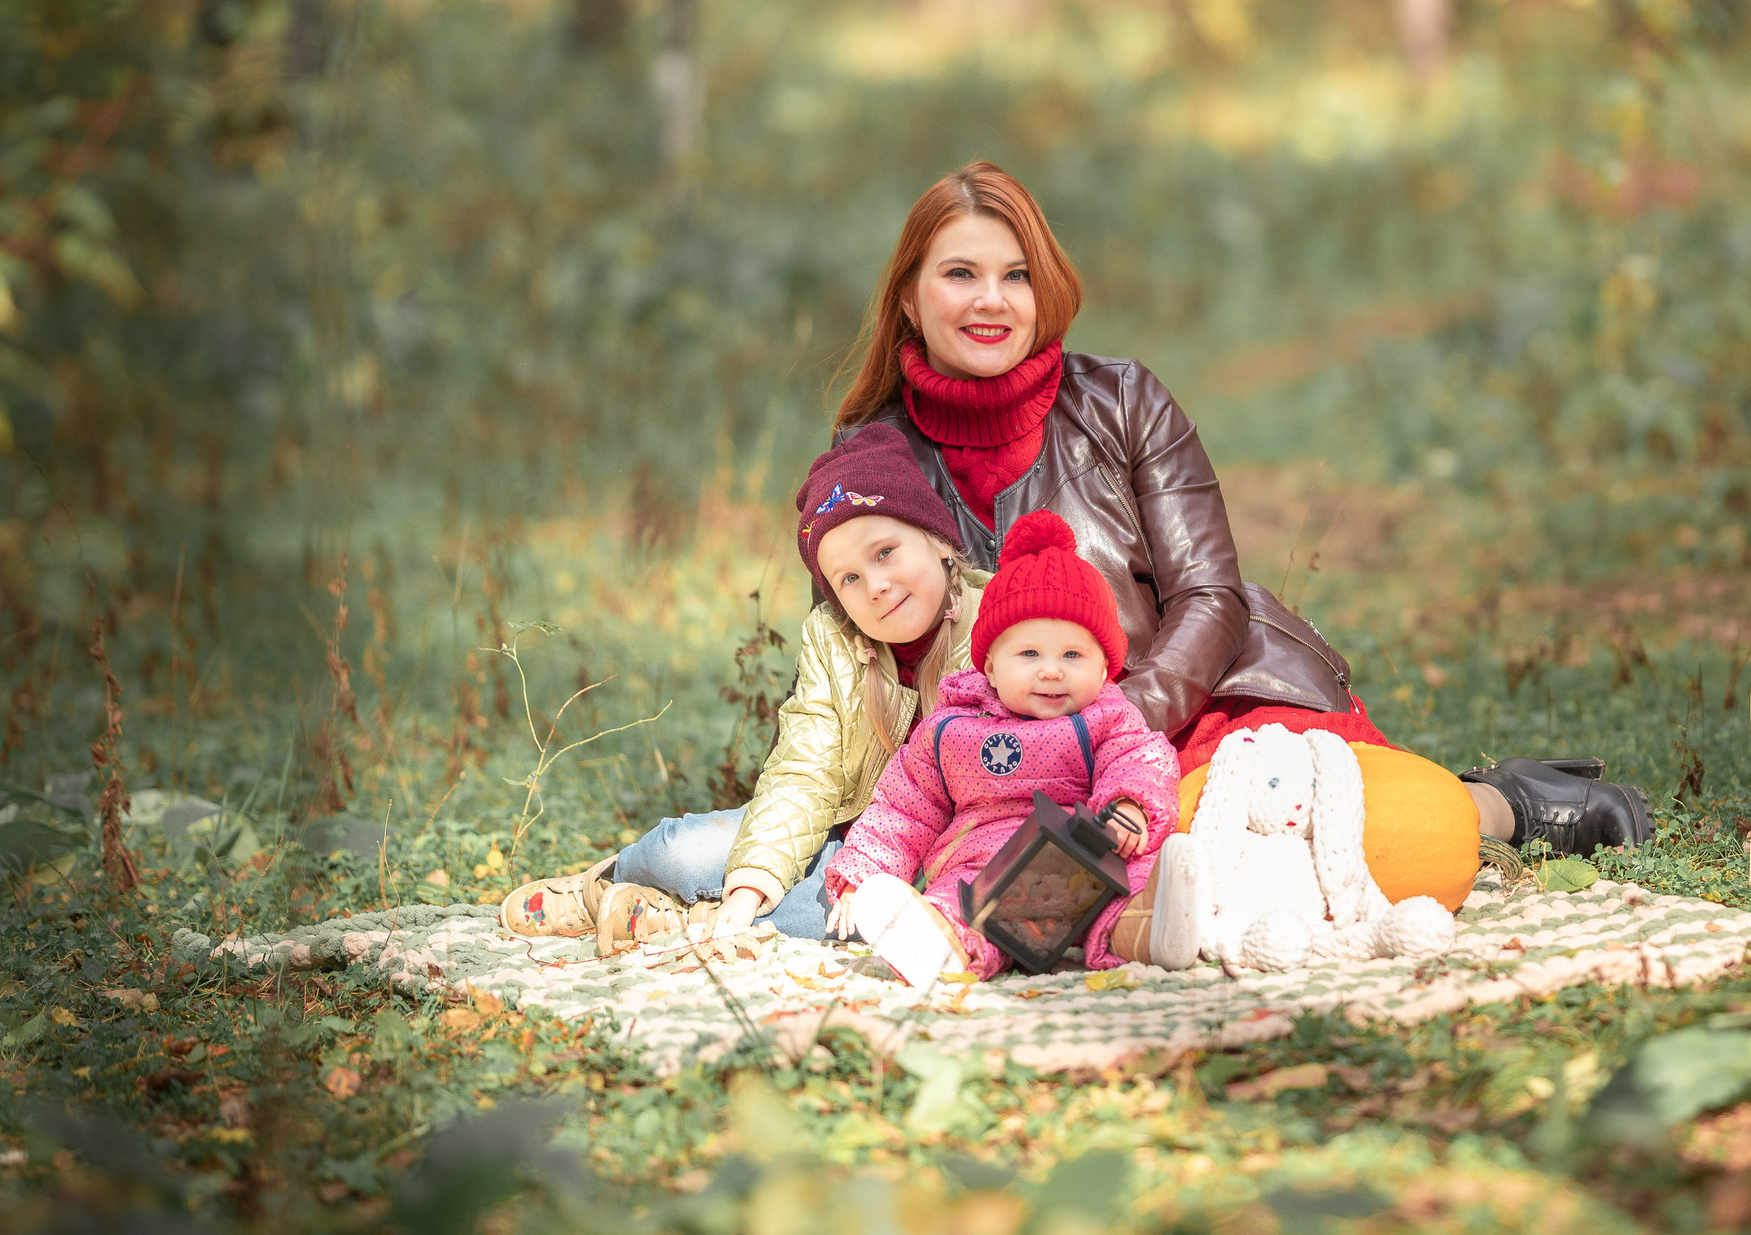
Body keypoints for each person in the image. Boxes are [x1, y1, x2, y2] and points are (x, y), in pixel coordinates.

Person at [827, 162, 1649, 905]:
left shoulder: (1121, 400)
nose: (991, 300)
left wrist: (1101, 728)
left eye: (1016, 275)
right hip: (985, 768)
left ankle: (1508, 802)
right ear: (909, 295)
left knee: (1326, 837)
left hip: (1177, 712)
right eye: (960, 274)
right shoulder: (869, 463)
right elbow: (854, 652)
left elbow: (1210, 596)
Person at [499, 424, 985, 951]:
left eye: (885, 552)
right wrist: (749, 886)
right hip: (837, 828)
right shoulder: (835, 640)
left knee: (838, 920)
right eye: (847, 579)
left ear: (938, 539)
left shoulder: (1000, 630)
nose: (875, 586)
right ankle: (606, 886)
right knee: (683, 852)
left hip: (928, 857)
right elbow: (806, 772)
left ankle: (671, 922)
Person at [826, 510, 1194, 981]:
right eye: (1029, 654)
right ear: (991, 668)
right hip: (988, 860)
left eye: (1073, 655)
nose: (1051, 670)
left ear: (1104, 669)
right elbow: (904, 808)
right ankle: (939, 944)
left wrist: (1130, 806)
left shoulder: (1106, 717)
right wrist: (859, 874)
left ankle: (1153, 928)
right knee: (963, 901)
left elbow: (1140, 759)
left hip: (1089, 851)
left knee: (1131, 886)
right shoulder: (952, 728)